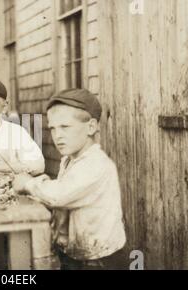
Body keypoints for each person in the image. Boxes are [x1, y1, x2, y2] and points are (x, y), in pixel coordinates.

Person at [12, 89, 126, 270]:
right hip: (77, 255)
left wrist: (28, 183)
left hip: (100, 260)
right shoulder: (69, 160)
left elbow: (60, 195)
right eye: (53, 128)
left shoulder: (96, 163)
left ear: (91, 127)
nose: (58, 136)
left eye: (65, 127)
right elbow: (63, 196)